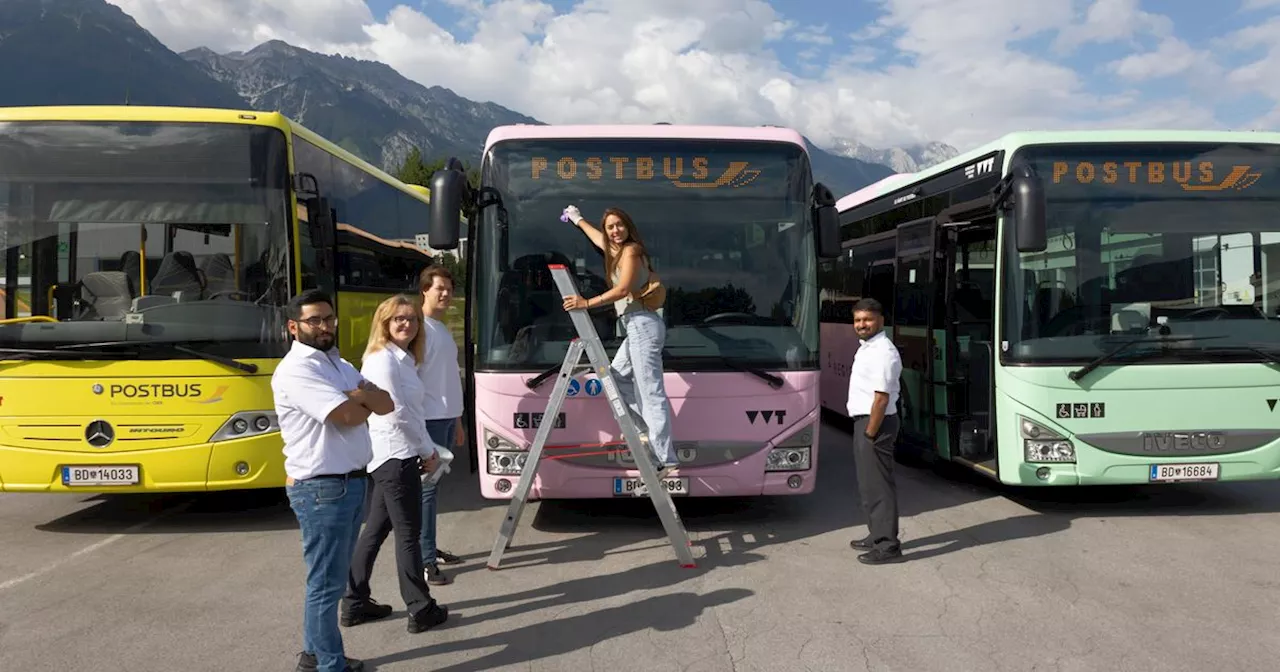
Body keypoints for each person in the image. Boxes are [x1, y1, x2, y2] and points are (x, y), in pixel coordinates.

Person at [272, 289, 395, 672]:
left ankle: (314, 656)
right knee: (326, 585)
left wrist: (357, 394)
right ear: (294, 327)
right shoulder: (297, 370)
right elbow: (349, 417)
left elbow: (387, 403)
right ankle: (329, 665)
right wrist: (362, 400)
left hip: (348, 482)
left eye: (328, 319)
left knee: (328, 579)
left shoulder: (337, 363)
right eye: (314, 320)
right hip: (323, 488)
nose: (324, 326)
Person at [342, 294, 450, 634]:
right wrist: (426, 450)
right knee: (409, 534)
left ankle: (354, 601)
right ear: (384, 324)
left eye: (412, 319)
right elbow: (397, 412)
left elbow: (410, 410)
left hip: (394, 454)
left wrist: (424, 446)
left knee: (376, 529)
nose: (406, 324)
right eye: (398, 319)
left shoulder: (402, 359)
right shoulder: (382, 360)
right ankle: (420, 608)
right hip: (396, 454)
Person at [560, 205, 678, 474]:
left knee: (650, 391)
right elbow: (597, 237)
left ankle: (665, 457)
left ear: (628, 226)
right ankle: (645, 431)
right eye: (610, 227)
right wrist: (577, 218)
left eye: (619, 225)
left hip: (642, 325)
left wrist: (586, 302)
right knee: (614, 377)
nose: (615, 231)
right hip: (636, 327)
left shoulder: (632, 251)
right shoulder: (617, 249)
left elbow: (623, 288)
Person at [845, 297, 904, 565]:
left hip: (876, 423)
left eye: (867, 319)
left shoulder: (884, 352)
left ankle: (887, 546)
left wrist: (869, 433)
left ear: (880, 320)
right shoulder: (868, 347)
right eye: (857, 320)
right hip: (865, 421)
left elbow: (881, 398)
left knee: (879, 485)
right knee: (867, 484)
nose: (861, 324)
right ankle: (876, 534)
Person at [417, 265, 465, 585]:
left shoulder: (441, 329)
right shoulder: (418, 329)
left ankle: (430, 548)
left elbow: (449, 380)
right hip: (429, 421)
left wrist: (458, 421)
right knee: (426, 493)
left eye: (448, 288)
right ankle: (424, 559)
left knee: (433, 491)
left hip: (446, 419)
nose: (445, 293)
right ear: (424, 290)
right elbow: (412, 381)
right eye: (439, 288)